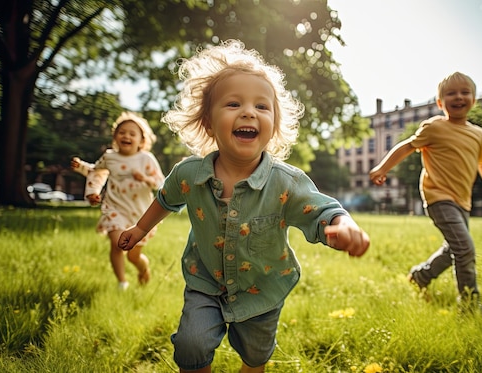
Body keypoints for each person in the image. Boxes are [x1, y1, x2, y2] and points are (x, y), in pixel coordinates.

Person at [118, 40, 370, 373]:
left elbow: (323, 211)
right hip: (205, 281)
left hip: (263, 290)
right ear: (208, 121)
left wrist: (343, 226)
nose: (249, 112)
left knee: (255, 357)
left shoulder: (285, 182)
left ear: (275, 124)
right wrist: (139, 228)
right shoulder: (189, 174)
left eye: (261, 107)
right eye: (234, 103)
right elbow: (165, 198)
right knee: (191, 346)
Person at [369, 72, 482, 317]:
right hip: (437, 197)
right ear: (440, 102)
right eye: (451, 93)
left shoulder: (479, 134)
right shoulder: (434, 126)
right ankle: (470, 305)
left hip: (463, 201)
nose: (459, 97)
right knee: (465, 249)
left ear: (474, 100)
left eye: (465, 92)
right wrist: (382, 168)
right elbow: (408, 146)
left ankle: (420, 276)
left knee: (452, 249)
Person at [72, 112, 164, 290]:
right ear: (115, 137)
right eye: (122, 132)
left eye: (132, 133)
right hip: (114, 208)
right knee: (117, 244)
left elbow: (161, 183)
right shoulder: (109, 157)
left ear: (141, 140)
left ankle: (143, 268)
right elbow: (96, 171)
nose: (126, 136)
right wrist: (83, 171)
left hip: (141, 214)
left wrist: (145, 178)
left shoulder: (146, 159)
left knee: (133, 256)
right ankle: (122, 283)